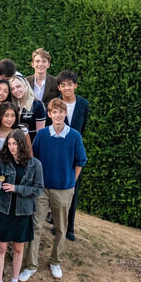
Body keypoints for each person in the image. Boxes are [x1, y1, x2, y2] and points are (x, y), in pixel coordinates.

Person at [26, 98, 87, 281]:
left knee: (61, 228)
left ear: (65, 114)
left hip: (64, 189)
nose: (58, 115)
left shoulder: (74, 136)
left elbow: (80, 161)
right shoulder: (43, 134)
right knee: (36, 226)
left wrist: (72, 181)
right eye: (54, 112)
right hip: (43, 188)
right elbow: (34, 158)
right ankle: (31, 264)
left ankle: (55, 261)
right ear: (50, 115)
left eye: (61, 112)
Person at [0, 129, 43, 282]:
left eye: (15, 144)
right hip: (3, 210)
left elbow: (38, 189)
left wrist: (16, 188)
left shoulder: (35, 164)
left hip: (23, 212)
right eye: (9, 144)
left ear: (22, 144)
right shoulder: (2, 163)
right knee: (1, 249)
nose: (11, 147)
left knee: (18, 249)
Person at [57, 70, 89, 241]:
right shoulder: (55, 104)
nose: (67, 87)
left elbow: (82, 128)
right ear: (59, 87)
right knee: (56, 189)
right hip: (58, 151)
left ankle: (69, 227)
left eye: (70, 84)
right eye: (63, 85)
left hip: (74, 151)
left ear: (75, 85)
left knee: (73, 188)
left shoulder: (83, 105)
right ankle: (57, 224)